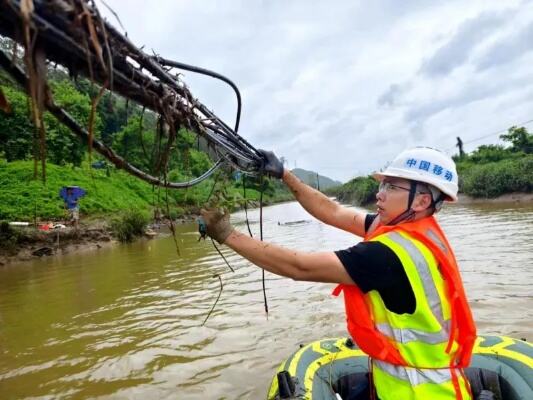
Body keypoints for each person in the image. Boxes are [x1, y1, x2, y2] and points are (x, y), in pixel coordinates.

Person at [201, 147, 476, 400]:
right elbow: (333, 211)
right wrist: (285, 175)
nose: (379, 193)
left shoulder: (386, 255)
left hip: (419, 392)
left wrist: (227, 234)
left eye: (391, 187)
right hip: (421, 380)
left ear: (421, 200)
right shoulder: (417, 231)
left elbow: (299, 267)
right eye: (382, 184)